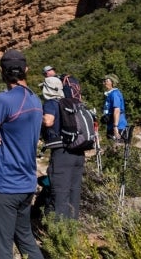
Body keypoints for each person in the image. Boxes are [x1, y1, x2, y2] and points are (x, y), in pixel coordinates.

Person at [0, 49, 44, 259]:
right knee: (25, 240)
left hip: (4, 185)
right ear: (26, 70)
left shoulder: (4, 100)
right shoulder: (36, 101)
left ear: (1, 71)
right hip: (26, 184)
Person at [41, 75, 85, 220]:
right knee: (74, 191)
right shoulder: (73, 103)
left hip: (62, 152)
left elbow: (48, 121)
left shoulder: (51, 103)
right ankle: (72, 230)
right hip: (78, 151)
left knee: (60, 192)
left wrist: (36, 116)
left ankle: (60, 232)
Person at [102, 74, 128, 140]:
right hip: (111, 126)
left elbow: (117, 110)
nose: (104, 83)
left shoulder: (114, 94)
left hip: (118, 126)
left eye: (106, 81)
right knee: (111, 148)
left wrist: (115, 127)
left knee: (118, 148)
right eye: (104, 81)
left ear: (112, 82)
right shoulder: (110, 94)